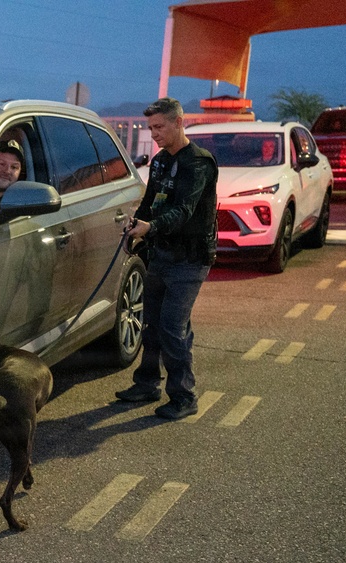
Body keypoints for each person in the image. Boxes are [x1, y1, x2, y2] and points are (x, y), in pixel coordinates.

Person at [116, 97, 218, 420]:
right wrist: (137, 223)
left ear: (179, 123)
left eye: (159, 127)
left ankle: (184, 396)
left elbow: (185, 211)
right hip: (161, 254)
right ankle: (147, 384)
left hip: (189, 259)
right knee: (151, 325)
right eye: (150, 128)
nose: (154, 134)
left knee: (173, 327)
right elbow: (150, 200)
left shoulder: (198, 163)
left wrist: (152, 226)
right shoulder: (160, 162)